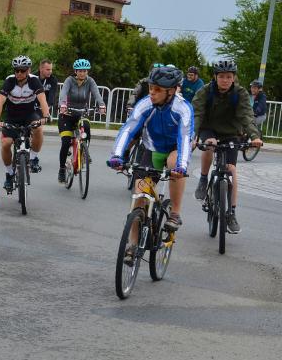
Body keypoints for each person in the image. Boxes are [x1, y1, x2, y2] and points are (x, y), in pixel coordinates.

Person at [107, 66, 193, 232]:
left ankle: (175, 213)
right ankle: (133, 244)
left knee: (174, 163)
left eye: (157, 89)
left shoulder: (182, 108)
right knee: (139, 197)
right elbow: (128, 129)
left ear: (171, 91)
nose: (152, 92)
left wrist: (181, 166)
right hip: (152, 148)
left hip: (175, 148)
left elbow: (184, 138)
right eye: (151, 87)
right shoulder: (145, 104)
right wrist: (117, 155)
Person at [192, 60, 263, 234]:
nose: (225, 80)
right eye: (222, 76)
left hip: (231, 132)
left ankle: (231, 212)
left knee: (231, 170)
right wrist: (192, 136)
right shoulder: (205, 91)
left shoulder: (240, 93)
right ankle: (203, 179)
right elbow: (197, 114)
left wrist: (255, 136)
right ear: (215, 77)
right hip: (209, 129)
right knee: (210, 144)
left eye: (229, 77)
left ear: (234, 78)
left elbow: (246, 115)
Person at [0, 55, 50, 191]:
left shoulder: (34, 81)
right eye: (16, 70)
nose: (19, 73)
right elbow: (0, 101)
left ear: (28, 70)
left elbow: (42, 100)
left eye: (22, 70)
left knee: (38, 129)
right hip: (12, 116)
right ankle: (9, 174)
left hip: (29, 114)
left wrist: (46, 116)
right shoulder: (10, 81)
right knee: (6, 143)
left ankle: (33, 158)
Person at [57, 59, 106, 183]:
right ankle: (62, 169)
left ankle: (84, 151)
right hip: (67, 114)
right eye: (80, 71)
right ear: (75, 71)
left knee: (87, 127)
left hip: (81, 113)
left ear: (87, 72)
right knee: (66, 142)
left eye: (84, 71)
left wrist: (101, 105)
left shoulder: (90, 81)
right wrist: (63, 104)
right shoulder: (69, 80)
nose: (82, 73)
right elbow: (63, 93)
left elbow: (96, 94)